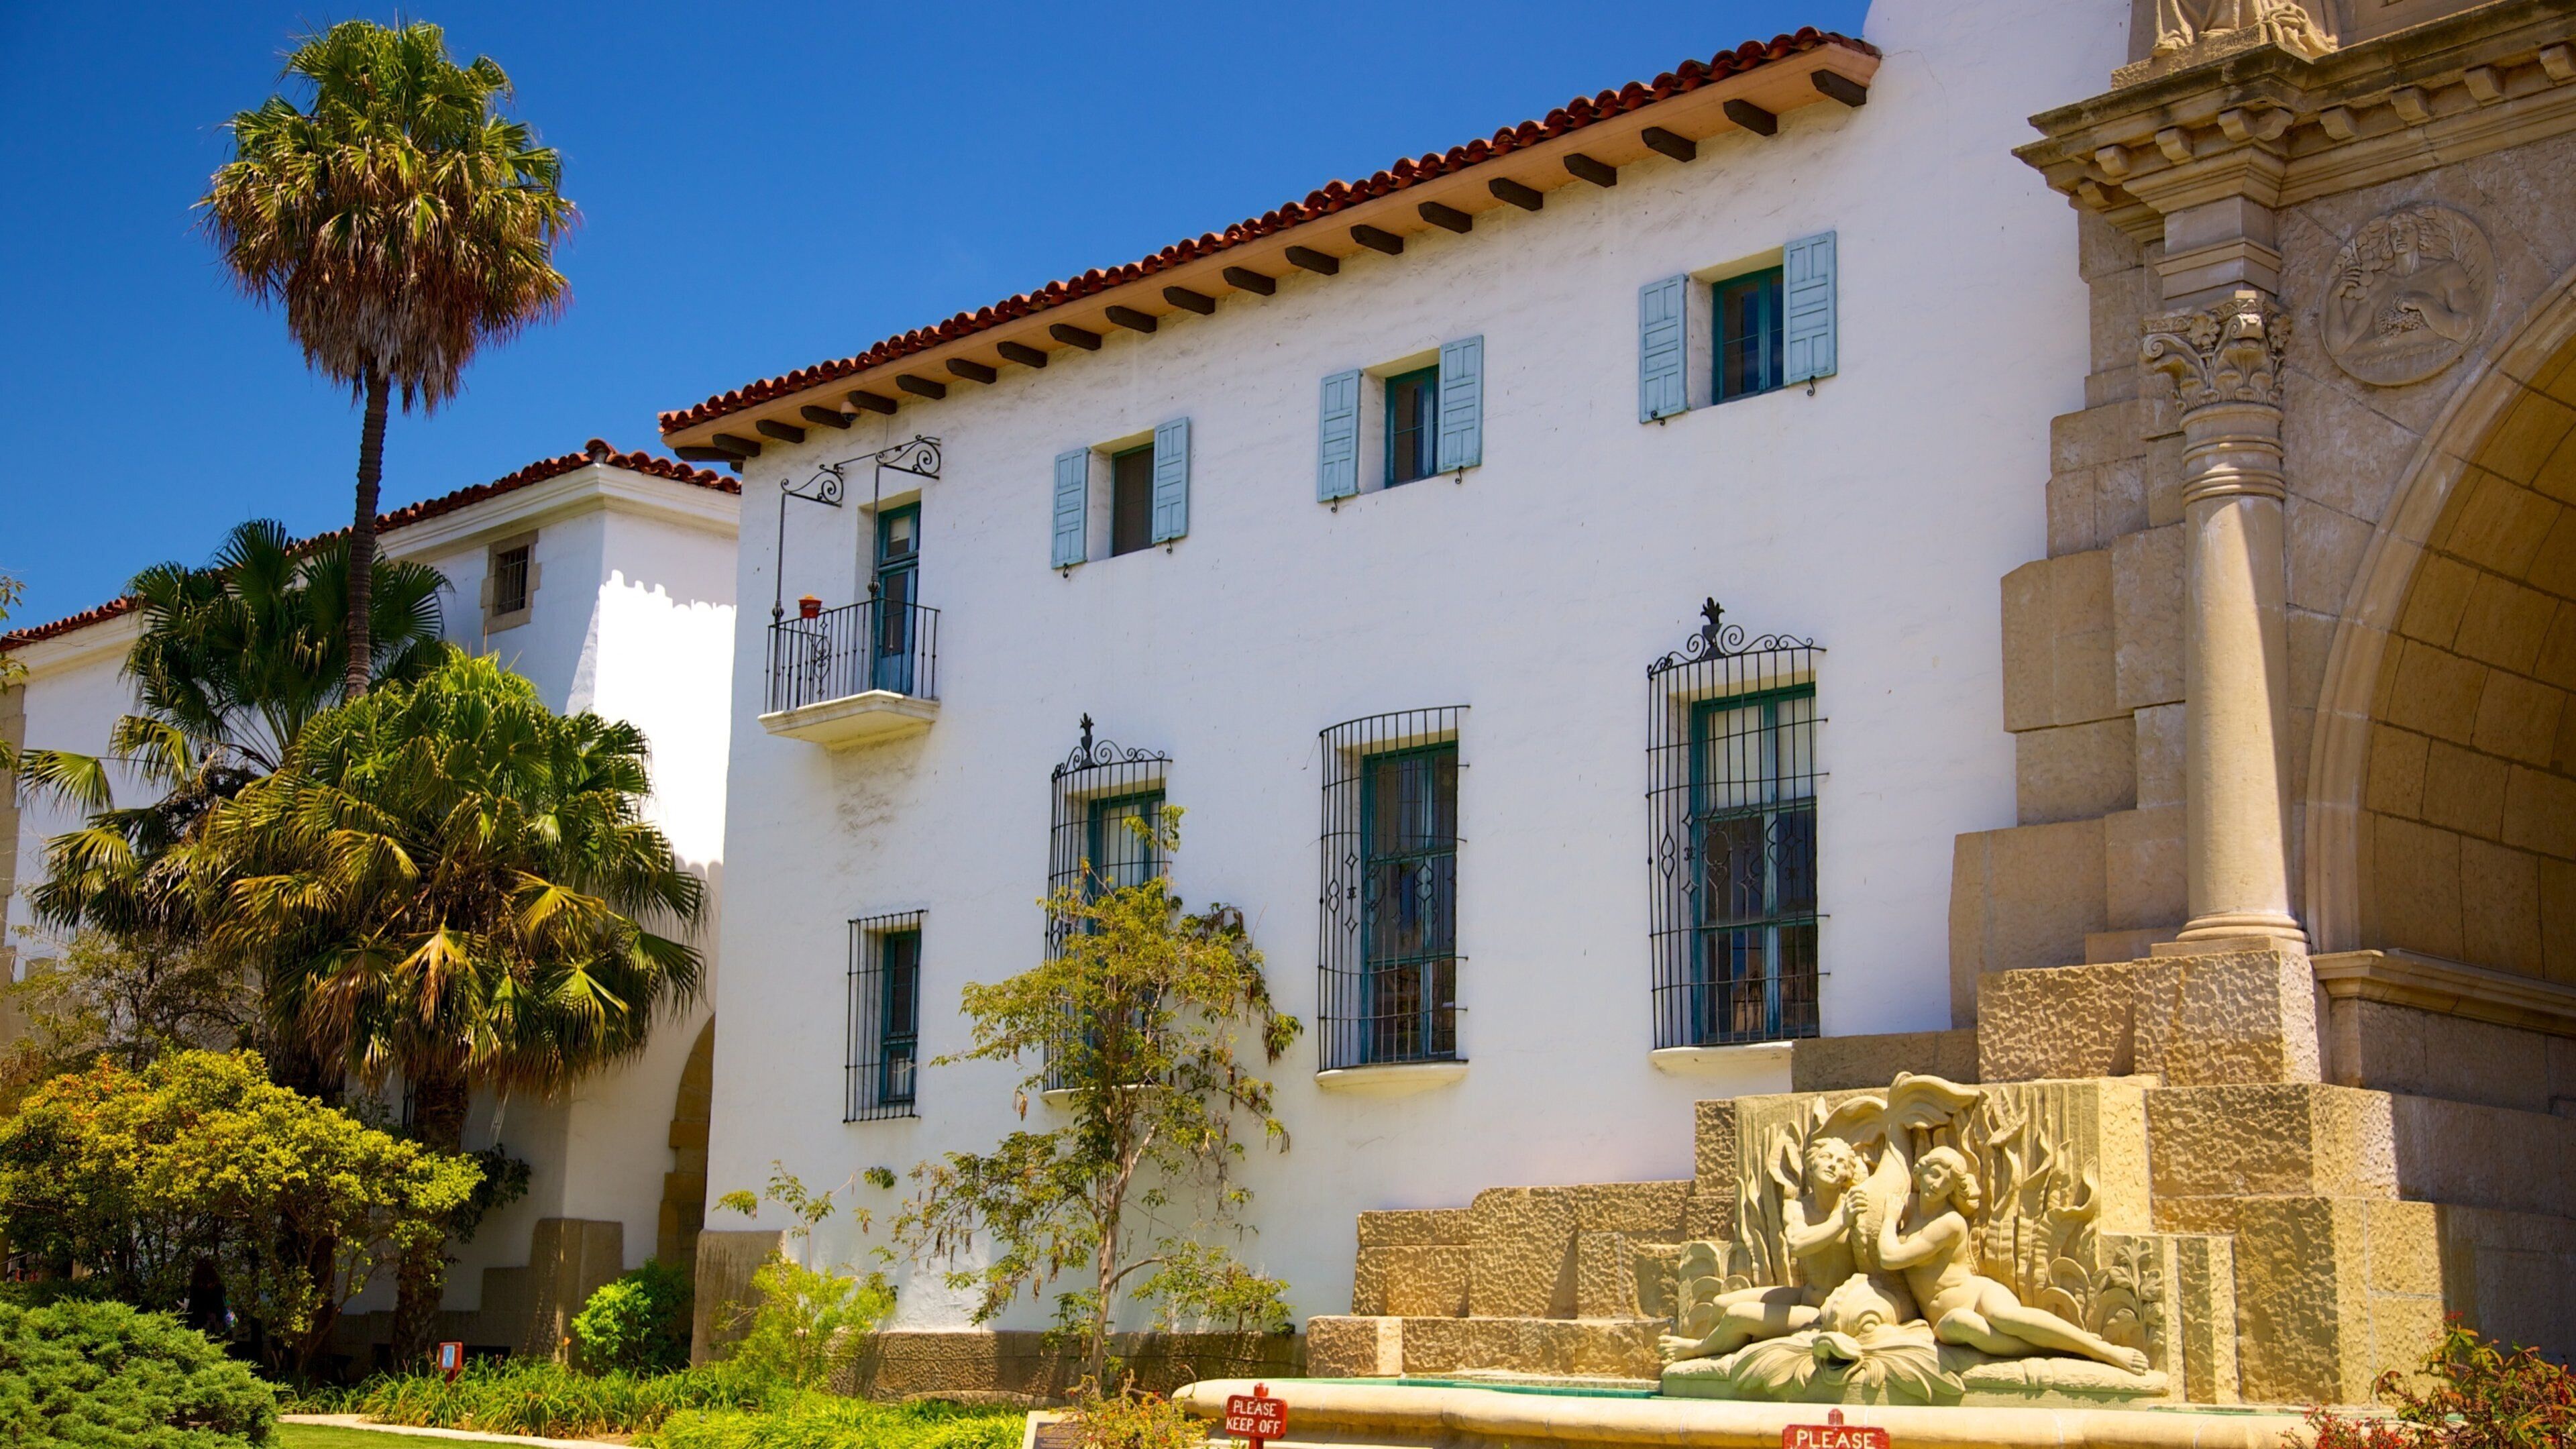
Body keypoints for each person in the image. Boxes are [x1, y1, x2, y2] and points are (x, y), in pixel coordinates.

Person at [1876, 1146, 2150, 1375]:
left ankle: (2103, 1351)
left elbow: (1890, 1257)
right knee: (1959, 1322)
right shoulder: (1910, 1208)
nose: (1936, 1184)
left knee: (2004, 1316)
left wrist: (1889, 1220)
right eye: (1932, 1174)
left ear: (1953, 1189)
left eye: (1945, 1181)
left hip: (1978, 1293)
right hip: (1947, 1320)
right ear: (1920, 1173)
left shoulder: (1950, 1223)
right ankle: (2065, 1346)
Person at [1661, 1135, 1867, 1364]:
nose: (1832, 1164)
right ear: (1811, 1164)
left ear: (1847, 1175)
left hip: (1825, 1311)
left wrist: (1846, 1218)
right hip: (1806, 1294)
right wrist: (1841, 1222)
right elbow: (1798, 1245)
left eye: (1841, 1163)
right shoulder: (1798, 1207)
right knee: (1721, 1303)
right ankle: (1716, 1350)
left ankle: (1698, 1350)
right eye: (1826, 1157)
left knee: (1736, 1315)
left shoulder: (1852, 1206)